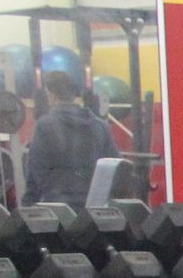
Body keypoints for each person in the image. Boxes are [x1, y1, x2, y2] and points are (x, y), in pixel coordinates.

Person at [22, 69, 117, 205]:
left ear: (51, 96)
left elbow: (35, 172)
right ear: (73, 95)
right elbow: (114, 169)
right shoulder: (101, 126)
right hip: (94, 209)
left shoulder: (44, 126)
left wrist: (27, 206)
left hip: (58, 208)